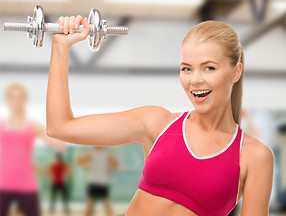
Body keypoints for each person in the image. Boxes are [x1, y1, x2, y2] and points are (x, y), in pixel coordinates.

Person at [46, 16, 274, 216]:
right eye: (186, 68)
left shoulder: (254, 157)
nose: (195, 80)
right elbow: (60, 127)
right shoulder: (156, 123)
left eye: (209, 68)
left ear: (236, 71)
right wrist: (60, 47)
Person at [0, 83, 65, 216]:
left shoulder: (33, 126)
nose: (16, 101)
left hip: (26, 184)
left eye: (20, 98)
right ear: (7, 100)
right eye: (13, 98)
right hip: (3, 183)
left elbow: (59, 145)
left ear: (25, 100)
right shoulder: (1, 126)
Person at [77, 146, 118, 216]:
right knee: (106, 203)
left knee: (90, 203)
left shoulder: (90, 154)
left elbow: (79, 161)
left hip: (93, 182)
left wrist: (81, 150)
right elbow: (115, 164)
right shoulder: (107, 155)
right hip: (103, 182)